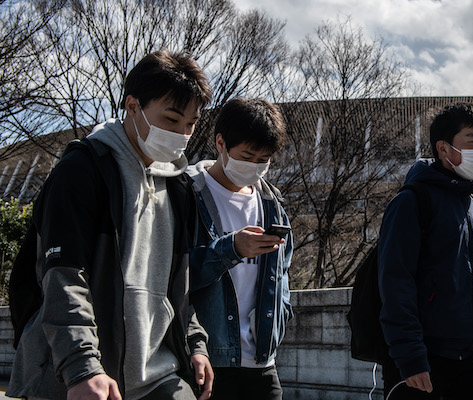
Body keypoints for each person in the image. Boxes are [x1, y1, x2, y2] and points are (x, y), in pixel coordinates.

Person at [8, 50, 214, 400]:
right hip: (79, 378)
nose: (182, 134)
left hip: (158, 374)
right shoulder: (82, 170)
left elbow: (178, 286)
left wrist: (195, 342)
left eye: (191, 124)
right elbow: (62, 276)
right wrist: (82, 367)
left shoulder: (180, 188)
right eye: (171, 119)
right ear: (132, 106)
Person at [377, 102, 473, 400]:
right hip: (423, 357)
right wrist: (409, 356)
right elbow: (395, 282)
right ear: (443, 148)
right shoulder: (412, 202)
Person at [187, 98, 293, 400]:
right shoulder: (189, 194)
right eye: (247, 156)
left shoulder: (273, 204)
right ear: (220, 143)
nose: (255, 167)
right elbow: (172, 275)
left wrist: (279, 321)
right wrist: (231, 248)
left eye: (264, 160)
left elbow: (282, 274)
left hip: (262, 361)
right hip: (207, 358)